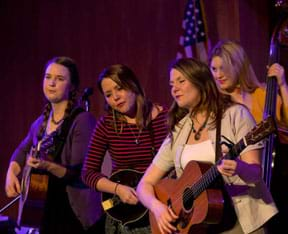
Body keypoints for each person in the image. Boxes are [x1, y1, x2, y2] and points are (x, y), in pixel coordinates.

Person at [136, 58, 278, 234]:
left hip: (241, 221)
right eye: (171, 84)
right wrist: (158, 208)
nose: (174, 88)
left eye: (181, 81)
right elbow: (144, 185)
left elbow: (256, 173)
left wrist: (239, 168)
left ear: (201, 81)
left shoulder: (235, 114)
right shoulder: (179, 130)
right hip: (198, 225)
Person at [5, 56, 103, 234]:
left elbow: (79, 172)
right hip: (45, 212)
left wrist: (47, 165)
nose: (51, 83)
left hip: (73, 213)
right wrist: (11, 171)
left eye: (59, 79)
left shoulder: (82, 120)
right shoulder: (40, 123)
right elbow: (21, 150)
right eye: (48, 77)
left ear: (72, 86)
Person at [209, 40, 288, 232]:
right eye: (213, 69)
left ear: (238, 65)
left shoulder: (262, 94)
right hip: (238, 192)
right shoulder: (215, 106)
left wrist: (283, 85)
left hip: (277, 183)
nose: (218, 75)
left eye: (223, 68)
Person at [81, 64, 168, 234]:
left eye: (119, 89)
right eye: (108, 95)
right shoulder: (107, 124)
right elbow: (88, 173)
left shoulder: (165, 117)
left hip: (161, 205)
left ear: (133, 85)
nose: (115, 98)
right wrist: (117, 189)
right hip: (126, 215)